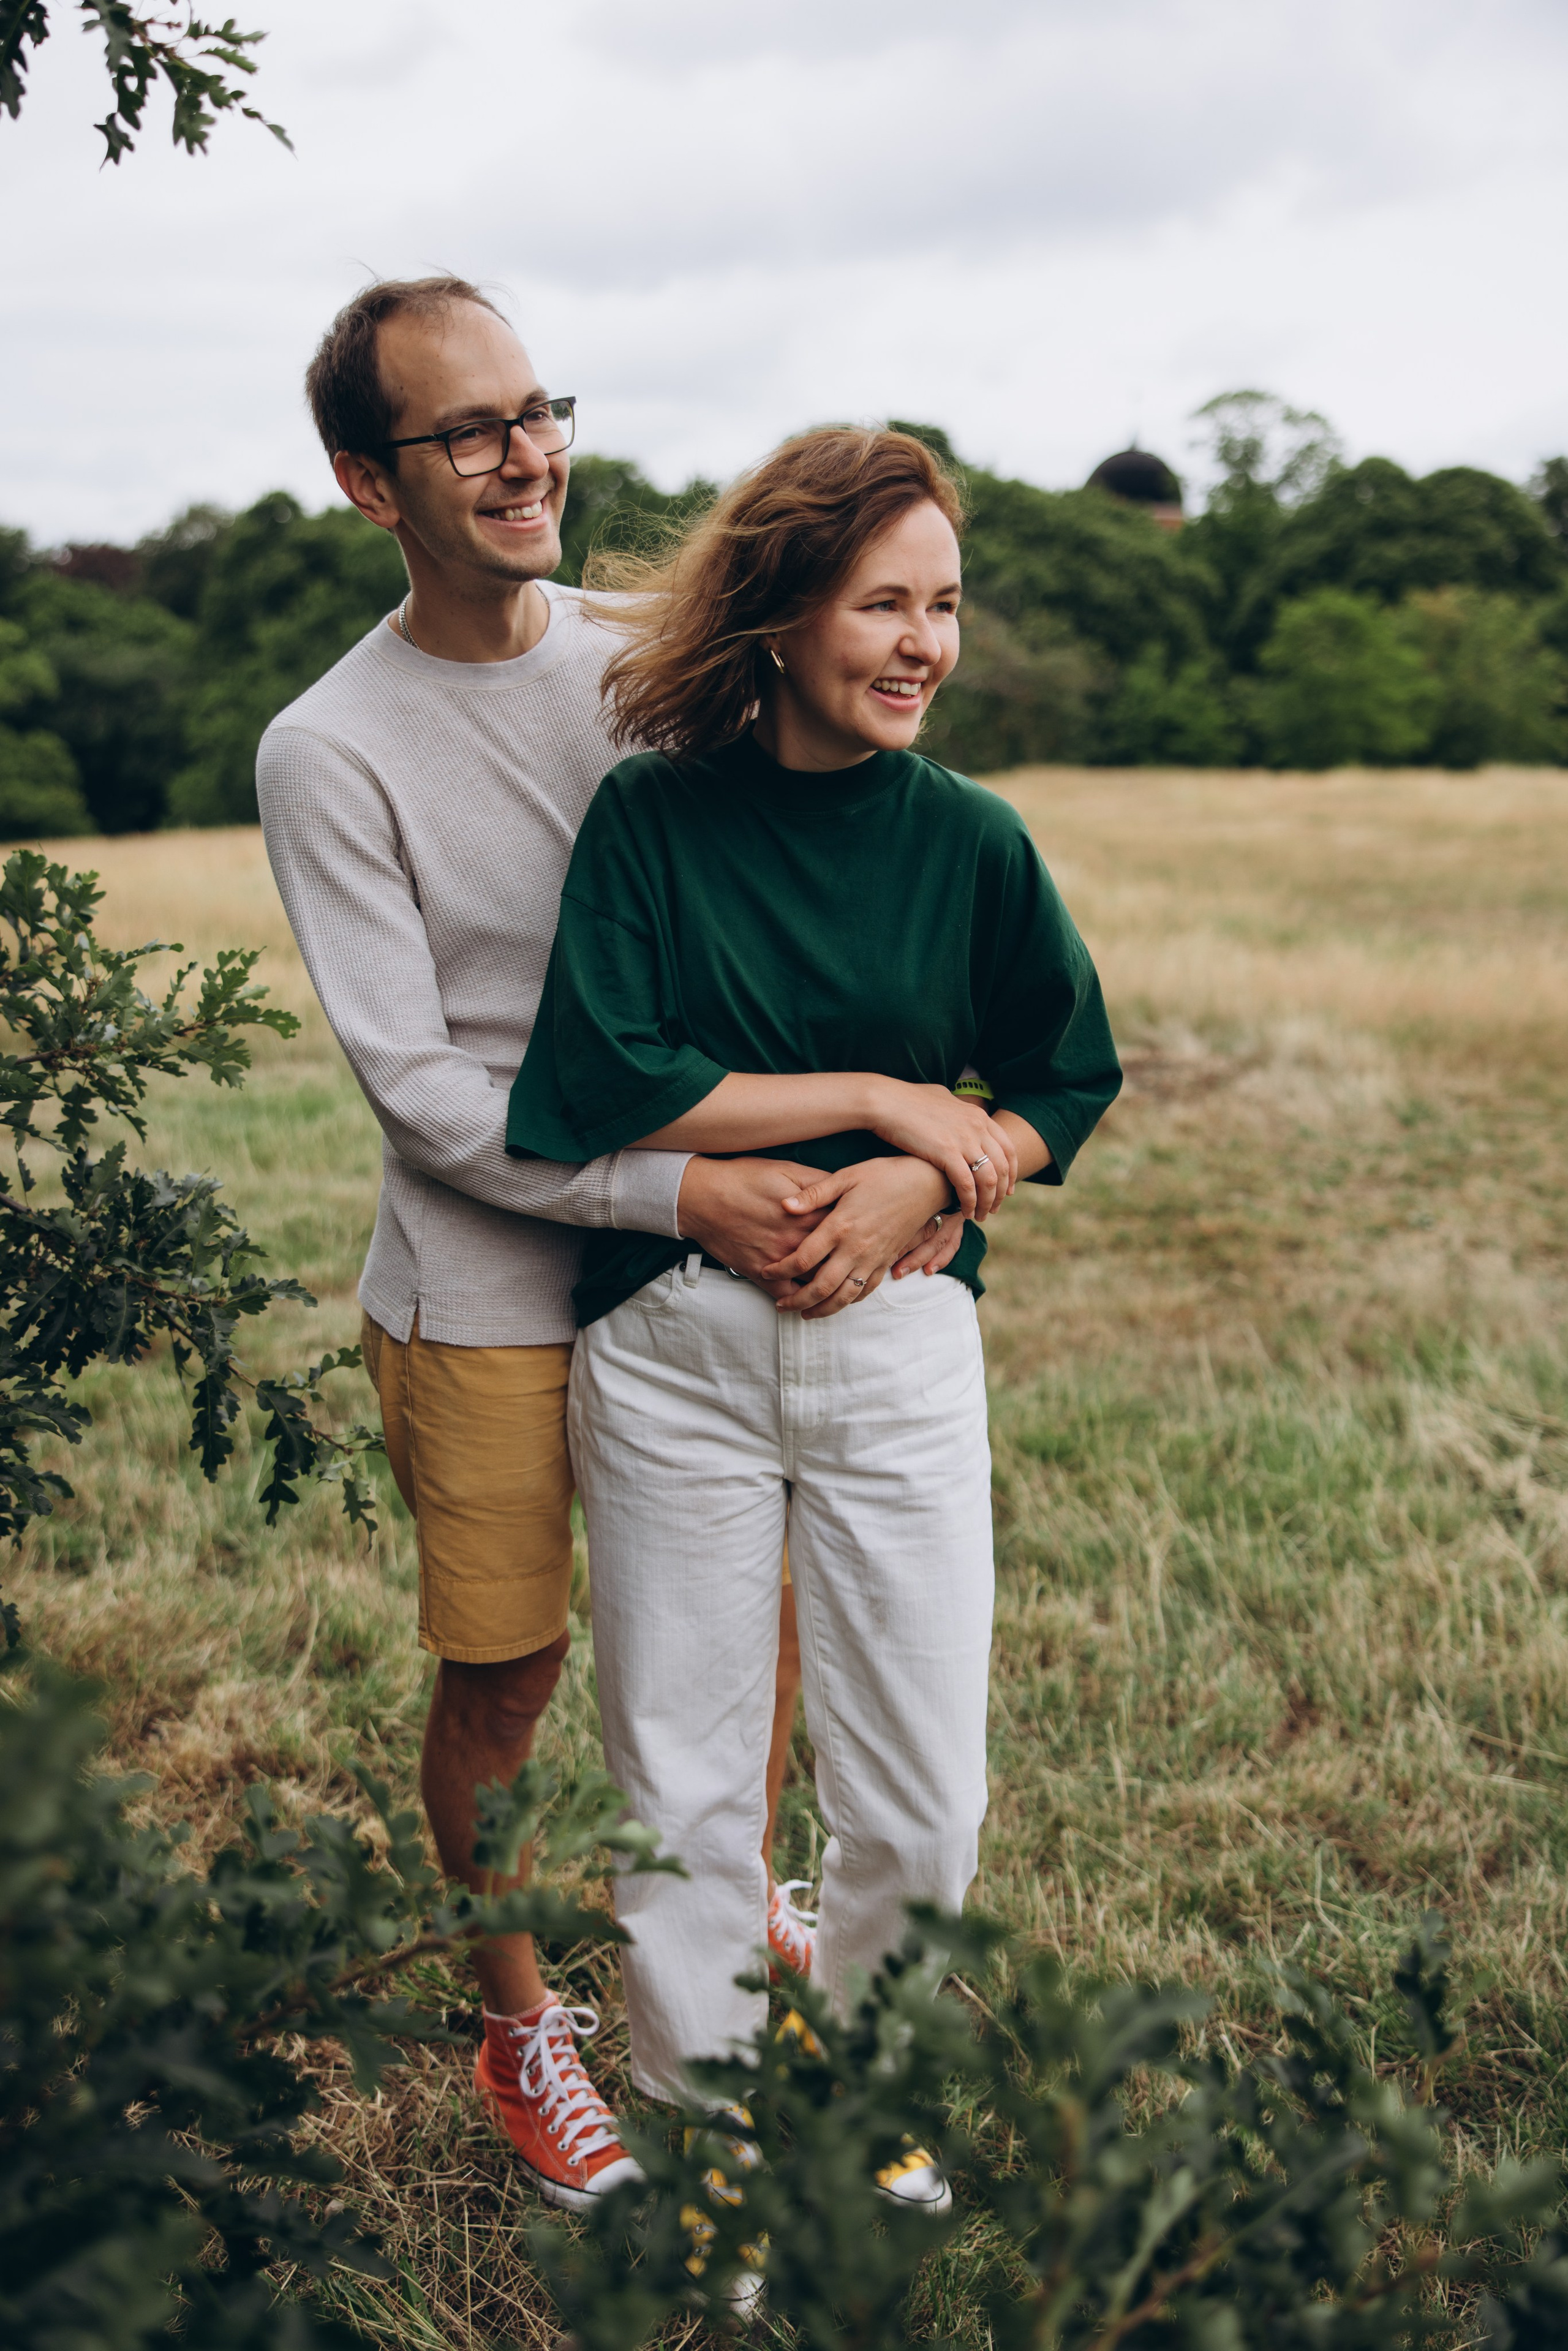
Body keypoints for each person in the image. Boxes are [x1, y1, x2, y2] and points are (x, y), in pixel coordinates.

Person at [255, 279, 960, 2212]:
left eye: (536, 409)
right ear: (362, 482)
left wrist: (917, 1149)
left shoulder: (664, 653)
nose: (524, 455)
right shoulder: (327, 751)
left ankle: (728, 1945)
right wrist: (673, 1188)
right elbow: (425, 1095)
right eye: (464, 432)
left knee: (757, 1635)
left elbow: (859, 844)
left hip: (714, 1263)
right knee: (510, 1675)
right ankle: (521, 2028)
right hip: (497, 1273)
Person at [506, 426, 1123, 2207]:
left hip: (902, 1354)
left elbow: (1066, 1075)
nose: (922, 642)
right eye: (882, 604)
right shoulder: (655, 818)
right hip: (673, 1356)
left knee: (923, 1799)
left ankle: (856, 2102)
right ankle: (709, 2146)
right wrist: (881, 1094)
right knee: (687, 1789)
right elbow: (603, 1075)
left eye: (944, 605)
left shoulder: (975, 843)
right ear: (781, 615)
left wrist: (940, 1170)